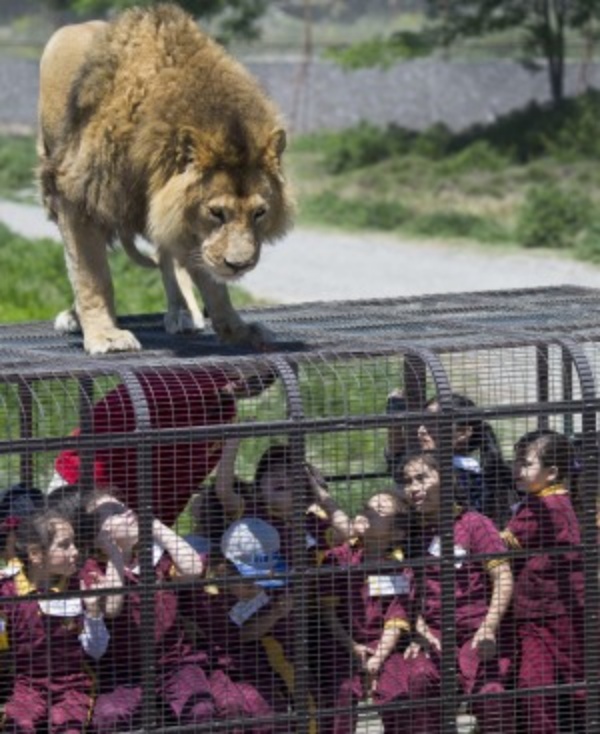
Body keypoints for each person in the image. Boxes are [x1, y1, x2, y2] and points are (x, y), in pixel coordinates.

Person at [49, 365, 276, 526]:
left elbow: (185, 480)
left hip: (130, 511)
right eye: (243, 370)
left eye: (258, 381)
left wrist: (158, 526)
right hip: (79, 484)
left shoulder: (225, 417)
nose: (244, 382)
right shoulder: (175, 379)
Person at [396, 451, 514, 734]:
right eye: (407, 481)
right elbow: (408, 595)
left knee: (491, 695)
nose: (413, 488)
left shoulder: (475, 523)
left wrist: (488, 628)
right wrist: (419, 632)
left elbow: (503, 578)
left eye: (422, 478)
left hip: (477, 632)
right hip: (434, 637)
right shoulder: (410, 535)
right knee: (420, 680)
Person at [80, 490, 214, 732]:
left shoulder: (155, 558)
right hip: (123, 671)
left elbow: (193, 568)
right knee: (109, 716)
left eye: (124, 506)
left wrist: (153, 524)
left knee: (201, 708)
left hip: (175, 663)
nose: (127, 512)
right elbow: (112, 607)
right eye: (113, 513)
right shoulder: (93, 569)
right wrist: (116, 555)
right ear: (95, 536)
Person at [501, 429, 584, 734]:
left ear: (551, 473)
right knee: (553, 681)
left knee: (542, 684)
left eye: (525, 463)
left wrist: (478, 536)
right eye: (516, 462)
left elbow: (503, 545)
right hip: (549, 612)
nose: (517, 470)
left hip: (552, 612)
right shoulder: (553, 501)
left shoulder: (541, 507)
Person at [0, 508, 109, 734]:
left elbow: (97, 652)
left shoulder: (80, 584)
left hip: (73, 685)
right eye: (64, 545)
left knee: (67, 726)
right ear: (36, 554)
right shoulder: (9, 590)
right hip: (26, 685)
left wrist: (93, 611)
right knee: (18, 726)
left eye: (74, 544)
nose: (75, 551)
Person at [319, 491, 412, 734]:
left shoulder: (398, 567)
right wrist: (352, 646)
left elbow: (396, 619)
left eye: (378, 512)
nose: (368, 512)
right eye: (367, 507)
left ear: (396, 533)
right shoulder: (337, 559)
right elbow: (328, 613)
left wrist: (377, 659)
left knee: (398, 692)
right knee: (342, 691)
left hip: (384, 648)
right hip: (342, 645)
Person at [386, 390, 514, 522]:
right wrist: (394, 417)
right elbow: (397, 462)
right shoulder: (437, 466)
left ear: (463, 433)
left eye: (433, 422)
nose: (421, 430)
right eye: (422, 422)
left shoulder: (470, 476)